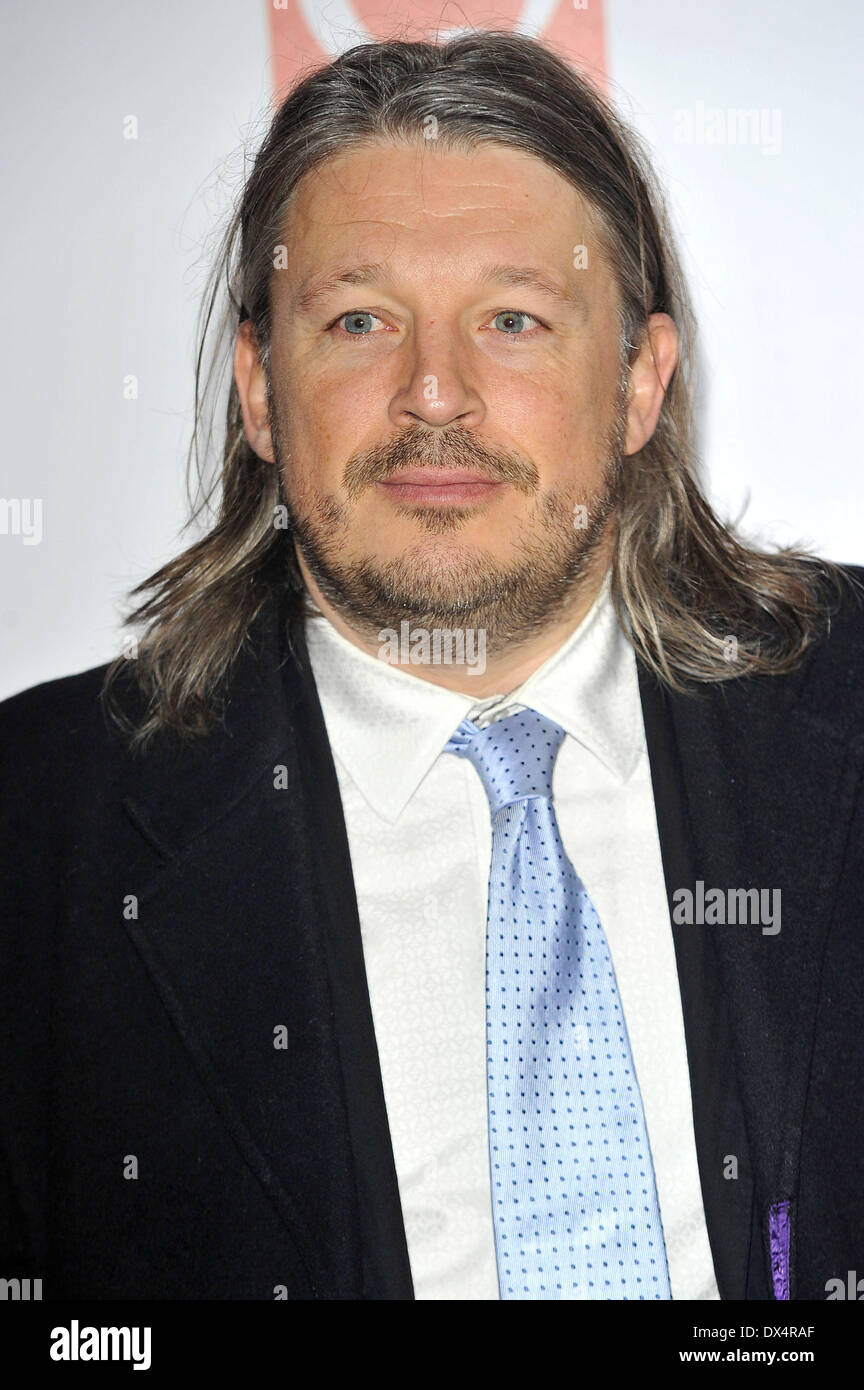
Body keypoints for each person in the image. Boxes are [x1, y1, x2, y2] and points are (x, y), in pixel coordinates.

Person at [1, 30, 862, 1303]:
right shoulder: (37, 835)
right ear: (257, 390)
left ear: (639, 383)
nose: (435, 392)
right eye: (359, 320)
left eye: (513, 318)